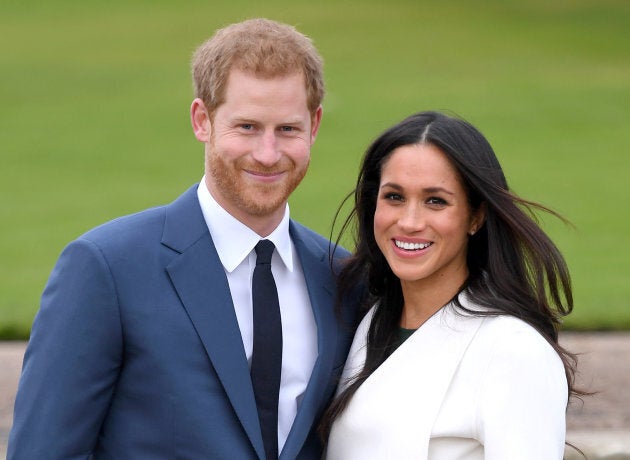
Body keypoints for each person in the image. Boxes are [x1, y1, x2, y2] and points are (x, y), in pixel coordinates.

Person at [9, 18, 359, 459]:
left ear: (314, 125)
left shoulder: (342, 277)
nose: (268, 154)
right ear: (202, 120)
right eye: (247, 127)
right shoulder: (107, 268)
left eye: (287, 129)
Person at [322, 111, 579, 459]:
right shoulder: (366, 319)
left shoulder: (513, 350)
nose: (409, 222)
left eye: (435, 201)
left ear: (475, 217)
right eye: (394, 197)